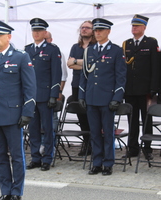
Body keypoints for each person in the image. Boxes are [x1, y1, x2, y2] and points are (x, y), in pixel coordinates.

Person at [0, 19, 36, 200]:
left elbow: (30, 87)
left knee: (17, 157)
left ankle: (17, 192)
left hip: (13, 115)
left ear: (8, 37)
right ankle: (5, 191)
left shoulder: (20, 56)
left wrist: (27, 112)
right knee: (1, 156)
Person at [78, 18, 127, 175]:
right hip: (91, 98)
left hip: (107, 99)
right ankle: (97, 162)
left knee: (107, 132)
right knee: (94, 133)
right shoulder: (89, 50)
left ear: (108, 31)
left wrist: (117, 98)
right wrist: (81, 94)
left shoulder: (116, 51)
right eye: (96, 30)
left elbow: (121, 77)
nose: (97, 33)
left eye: (100, 30)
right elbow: (84, 75)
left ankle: (108, 163)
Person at [25, 18, 62, 171]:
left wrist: (54, 94)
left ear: (45, 32)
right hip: (31, 96)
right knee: (33, 129)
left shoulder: (52, 49)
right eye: (34, 30)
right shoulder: (27, 50)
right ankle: (35, 157)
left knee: (47, 129)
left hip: (45, 96)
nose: (36, 33)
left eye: (39, 30)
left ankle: (47, 158)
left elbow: (56, 73)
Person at [122, 14, 160, 160]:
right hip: (130, 89)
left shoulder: (150, 43)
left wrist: (154, 87)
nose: (134, 28)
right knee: (131, 119)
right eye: (133, 25)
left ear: (144, 27)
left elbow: (155, 67)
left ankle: (147, 148)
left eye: (137, 26)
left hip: (145, 90)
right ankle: (132, 148)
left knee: (146, 120)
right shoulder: (127, 44)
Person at [67, 20, 97, 156]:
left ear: (93, 30)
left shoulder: (96, 46)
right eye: (82, 27)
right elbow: (69, 64)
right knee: (81, 117)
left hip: (92, 86)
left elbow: (96, 64)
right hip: (77, 85)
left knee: (92, 116)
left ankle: (95, 143)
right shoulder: (75, 47)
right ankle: (86, 144)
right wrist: (86, 64)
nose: (84, 29)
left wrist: (77, 62)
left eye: (87, 28)